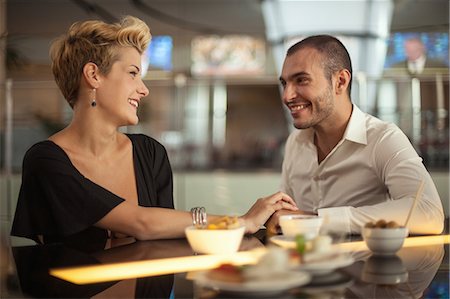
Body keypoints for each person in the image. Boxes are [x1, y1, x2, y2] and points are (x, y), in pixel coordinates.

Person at [10, 16, 298, 246]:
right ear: (94, 75)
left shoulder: (149, 153)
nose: (144, 89)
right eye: (133, 73)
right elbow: (142, 223)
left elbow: (164, 238)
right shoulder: (46, 160)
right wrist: (242, 222)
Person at [268, 35, 444, 235]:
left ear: (340, 82)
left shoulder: (382, 138)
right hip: (305, 263)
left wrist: (318, 220)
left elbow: (429, 213)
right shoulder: (295, 142)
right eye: (284, 83)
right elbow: (289, 214)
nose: (287, 96)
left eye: (301, 80)